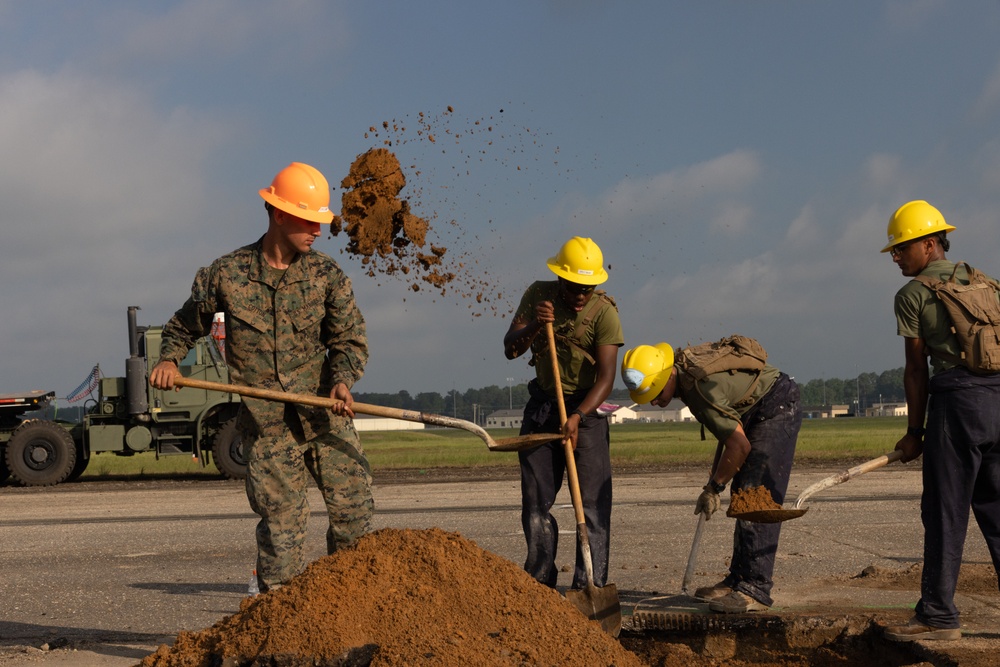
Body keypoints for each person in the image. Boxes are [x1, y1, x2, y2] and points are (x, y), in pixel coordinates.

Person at [150, 162, 373, 593]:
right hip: (269, 429)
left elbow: (348, 339)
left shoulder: (328, 277)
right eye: (310, 220)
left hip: (326, 416)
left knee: (355, 517)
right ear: (279, 214)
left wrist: (343, 379)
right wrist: (170, 361)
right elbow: (183, 326)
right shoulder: (227, 275)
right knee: (282, 534)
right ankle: (280, 633)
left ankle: (348, 611)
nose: (318, 231)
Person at [880, 200, 1000, 641]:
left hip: (959, 403)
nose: (895, 256)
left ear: (930, 245)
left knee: (945, 512)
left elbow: (915, 370)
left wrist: (915, 433)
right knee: (998, 511)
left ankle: (937, 615)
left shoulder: (911, 295)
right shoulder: (987, 282)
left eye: (901, 248)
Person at [620, 338, 801, 613]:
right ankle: (738, 578)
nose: (655, 402)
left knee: (755, 497)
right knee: (743, 495)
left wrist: (714, 488)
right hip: (753, 408)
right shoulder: (686, 374)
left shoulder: (700, 391)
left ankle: (755, 588)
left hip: (774, 407)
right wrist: (716, 482)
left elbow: (739, 446)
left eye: (655, 393)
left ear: (667, 374)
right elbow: (729, 437)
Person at [503, 236, 624, 591]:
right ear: (560, 279)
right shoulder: (538, 295)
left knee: (592, 507)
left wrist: (580, 416)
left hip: (585, 411)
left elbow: (605, 379)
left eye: (588, 288)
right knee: (536, 502)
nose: (580, 295)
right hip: (542, 407)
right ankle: (540, 579)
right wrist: (535, 326)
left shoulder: (604, 313)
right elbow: (510, 349)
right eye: (574, 288)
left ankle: (590, 584)